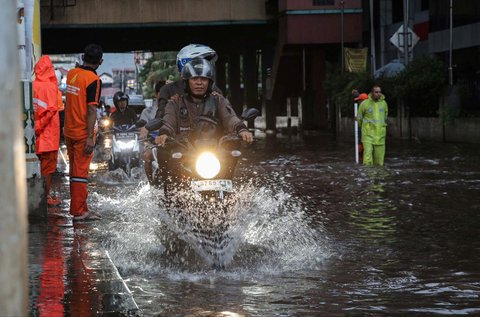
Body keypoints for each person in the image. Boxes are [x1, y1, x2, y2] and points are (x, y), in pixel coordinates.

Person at [155, 58, 253, 147]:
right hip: (184, 152)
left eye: (204, 79)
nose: (199, 83)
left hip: (215, 151)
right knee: (165, 162)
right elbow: (168, 122)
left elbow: (230, 118)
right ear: (186, 82)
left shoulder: (218, 100)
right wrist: (164, 134)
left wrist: (242, 130)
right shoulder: (175, 103)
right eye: (194, 78)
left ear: (210, 83)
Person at [64, 43, 103, 221]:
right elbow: (92, 110)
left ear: (82, 57)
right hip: (81, 134)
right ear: (100, 62)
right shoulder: (94, 80)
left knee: (74, 172)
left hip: (69, 131)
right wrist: (89, 137)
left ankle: (80, 207)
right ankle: (79, 211)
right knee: (80, 174)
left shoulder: (72, 74)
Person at [155, 43, 222, 120]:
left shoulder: (214, 90)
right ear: (184, 63)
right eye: (198, 63)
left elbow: (227, 117)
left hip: (209, 130)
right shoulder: (167, 89)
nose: (199, 83)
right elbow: (160, 117)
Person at [33, 55, 62, 206]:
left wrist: (35, 127)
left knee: (35, 169)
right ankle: (45, 197)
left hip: (35, 136)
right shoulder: (51, 87)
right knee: (48, 170)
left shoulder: (32, 85)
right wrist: (40, 126)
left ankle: (38, 196)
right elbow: (52, 110)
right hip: (49, 136)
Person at [139, 80, 165, 184]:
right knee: (148, 155)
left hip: (172, 142)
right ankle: (151, 183)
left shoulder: (176, 107)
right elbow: (143, 128)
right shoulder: (147, 111)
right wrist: (144, 132)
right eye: (162, 93)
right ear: (157, 94)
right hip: (152, 143)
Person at [356, 85, 388, 166]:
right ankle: (368, 176)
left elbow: (385, 117)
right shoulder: (364, 104)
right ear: (372, 93)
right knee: (367, 158)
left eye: (380, 92)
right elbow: (359, 119)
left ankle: (378, 176)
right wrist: (365, 127)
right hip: (368, 135)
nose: (378, 94)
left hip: (380, 135)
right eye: (376, 92)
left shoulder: (384, 104)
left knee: (379, 160)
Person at [352, 90, 368, 162]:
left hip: (365, 131)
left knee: (363, 146)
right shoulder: (362, 106)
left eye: (359, 101)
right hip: (361, 130)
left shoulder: (366, 108)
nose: (358, 102)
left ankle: (362, 159)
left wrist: (357, 118)